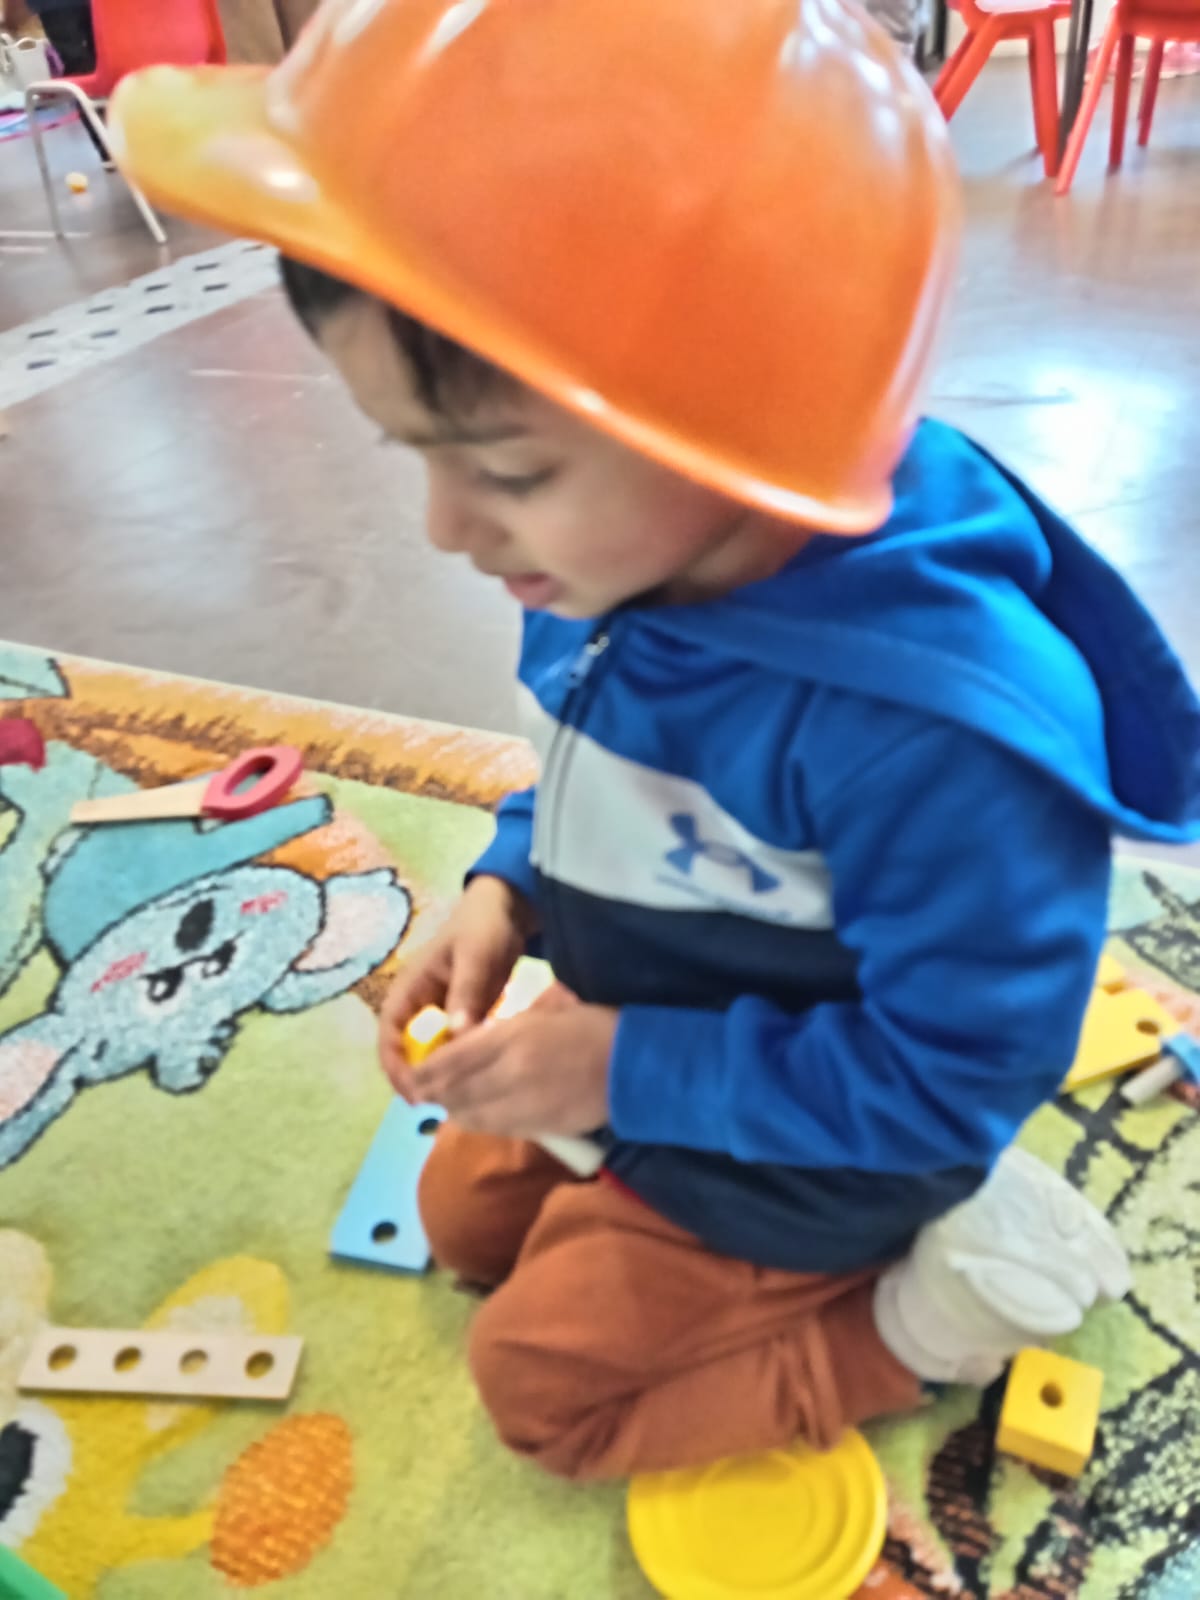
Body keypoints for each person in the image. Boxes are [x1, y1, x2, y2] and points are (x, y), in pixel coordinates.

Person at [109, 0, 1200, 1482]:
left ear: (741, 428)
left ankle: (922, 1320)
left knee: (542, 1397)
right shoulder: (611, 561)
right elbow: (596, 758)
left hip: (834, 1138)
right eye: (414, 453)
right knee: (459, 1225)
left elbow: (950, 1081)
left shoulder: (934, 741)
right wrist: (508, 885)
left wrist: (626, 1070)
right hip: (669, 1021)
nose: (446, 528)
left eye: (504, 470)